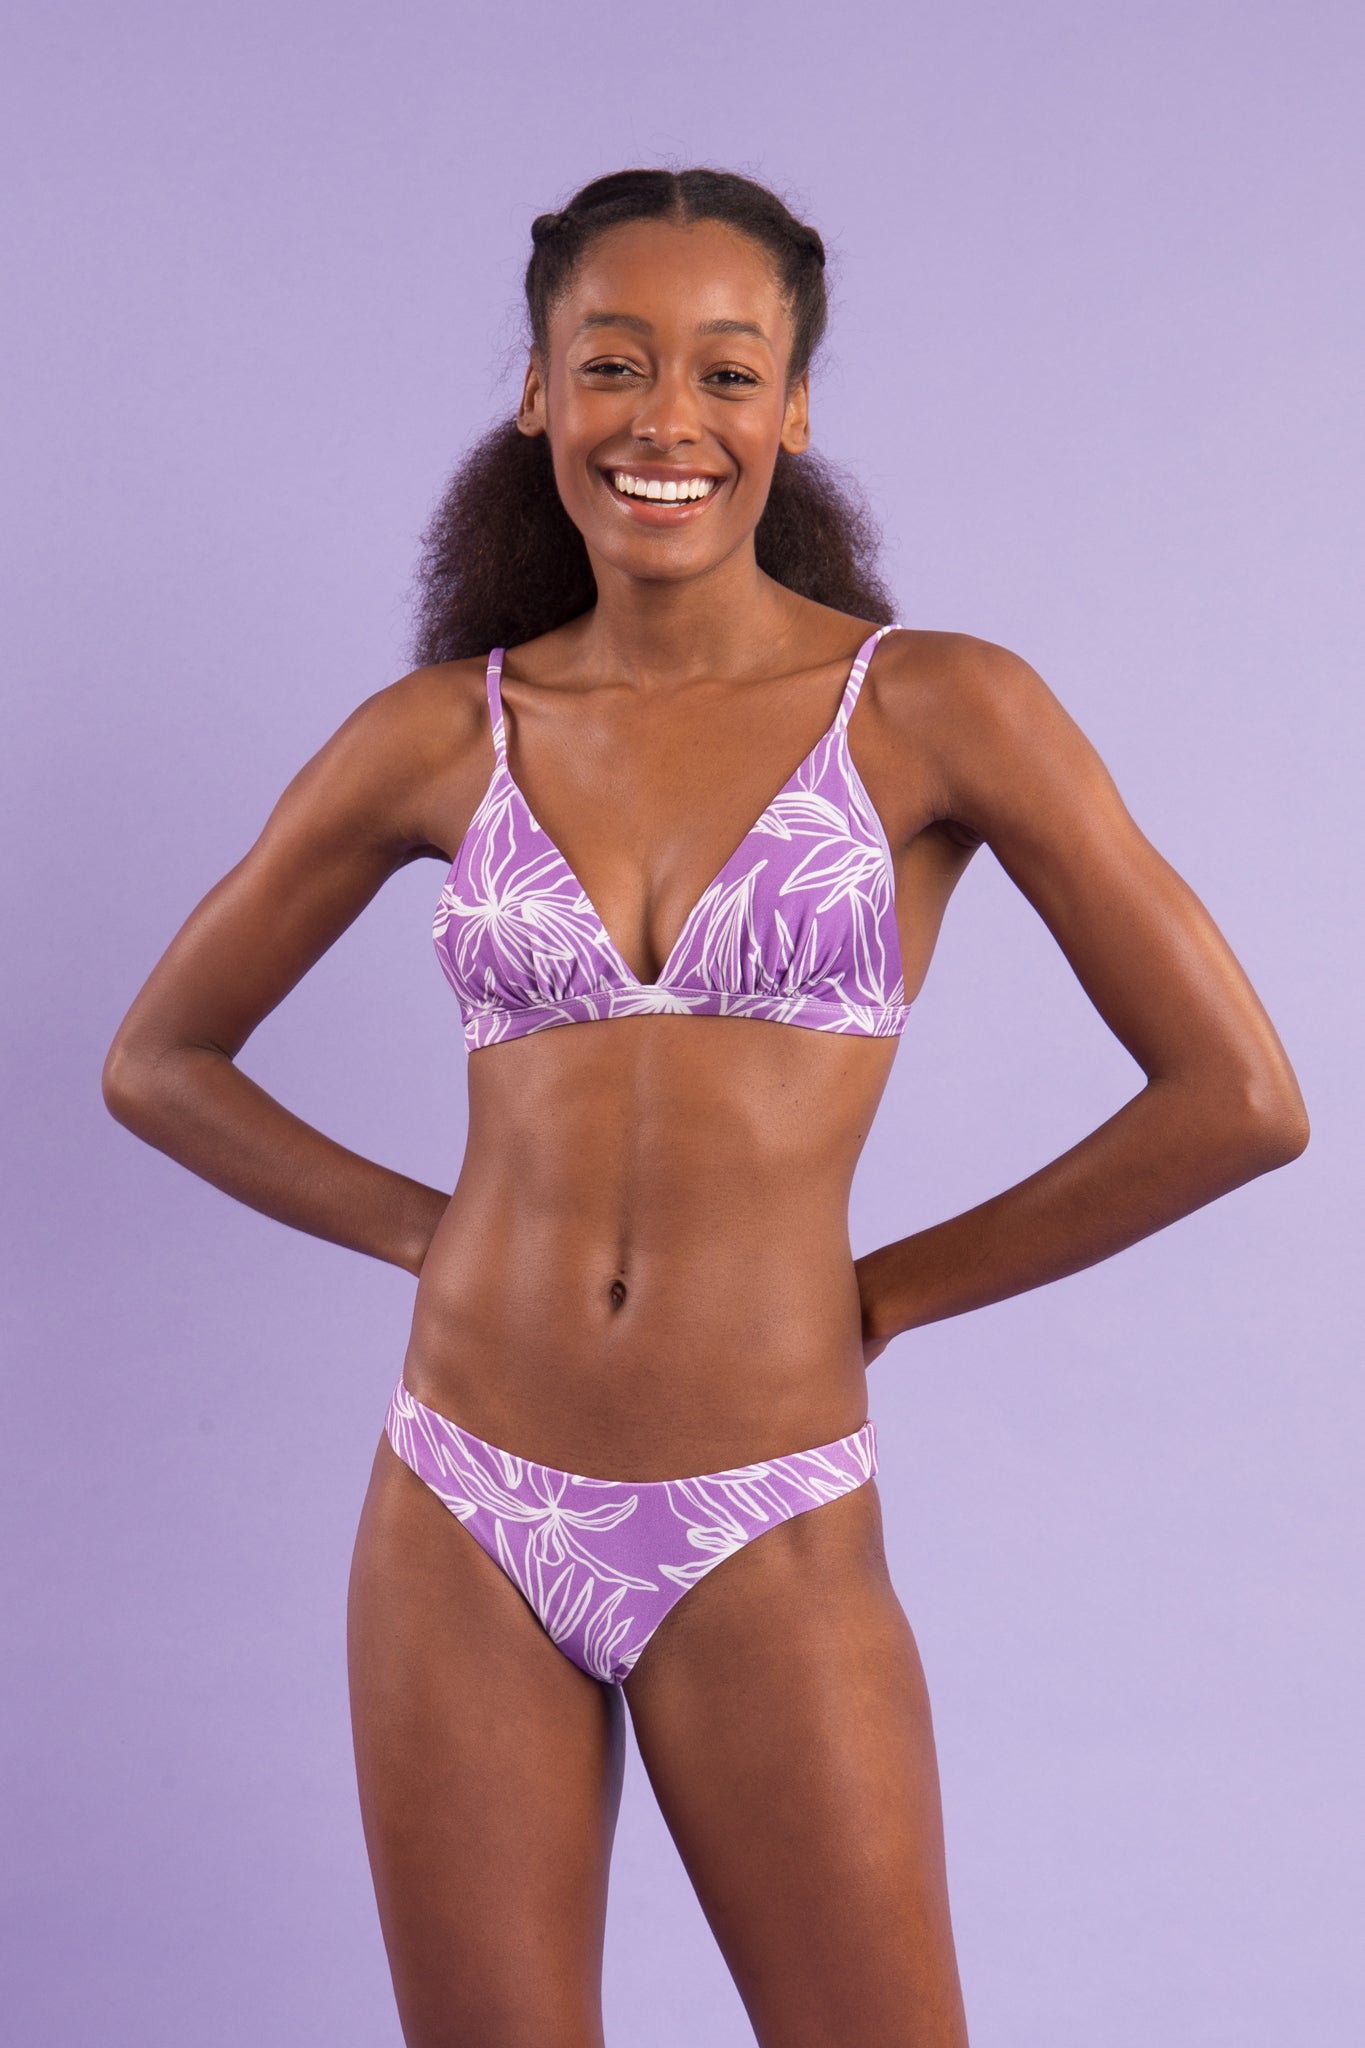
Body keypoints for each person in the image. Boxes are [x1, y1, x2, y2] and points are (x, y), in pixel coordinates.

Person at [102, 166, 1309, 2048]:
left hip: (763, 1508)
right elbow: (159, 1059)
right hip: (459, 1500)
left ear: (791, 408)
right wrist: (436, 1236)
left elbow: (1237, 1098)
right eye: (614, 364)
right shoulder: (441, 731)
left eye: (726, 372)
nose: (666, 420)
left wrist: (886, 1291)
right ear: (538, 393)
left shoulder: (935, 709)